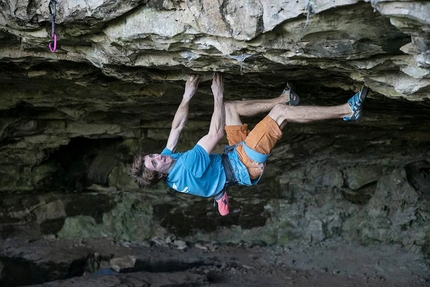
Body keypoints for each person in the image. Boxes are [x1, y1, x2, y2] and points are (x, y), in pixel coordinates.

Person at [131, 73, 369, 216]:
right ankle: (347, 110)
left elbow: (175, 129)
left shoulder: (169, 167)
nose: (158, 157)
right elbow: (214, 133)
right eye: (155, 163)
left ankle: (286, 96)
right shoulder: (186, 166)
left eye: (152, 156)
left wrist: (187, 96)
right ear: (159, 175)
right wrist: (217, 93)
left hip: (232, 157)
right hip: (245, 163)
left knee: (229, 110)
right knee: (280, 114)